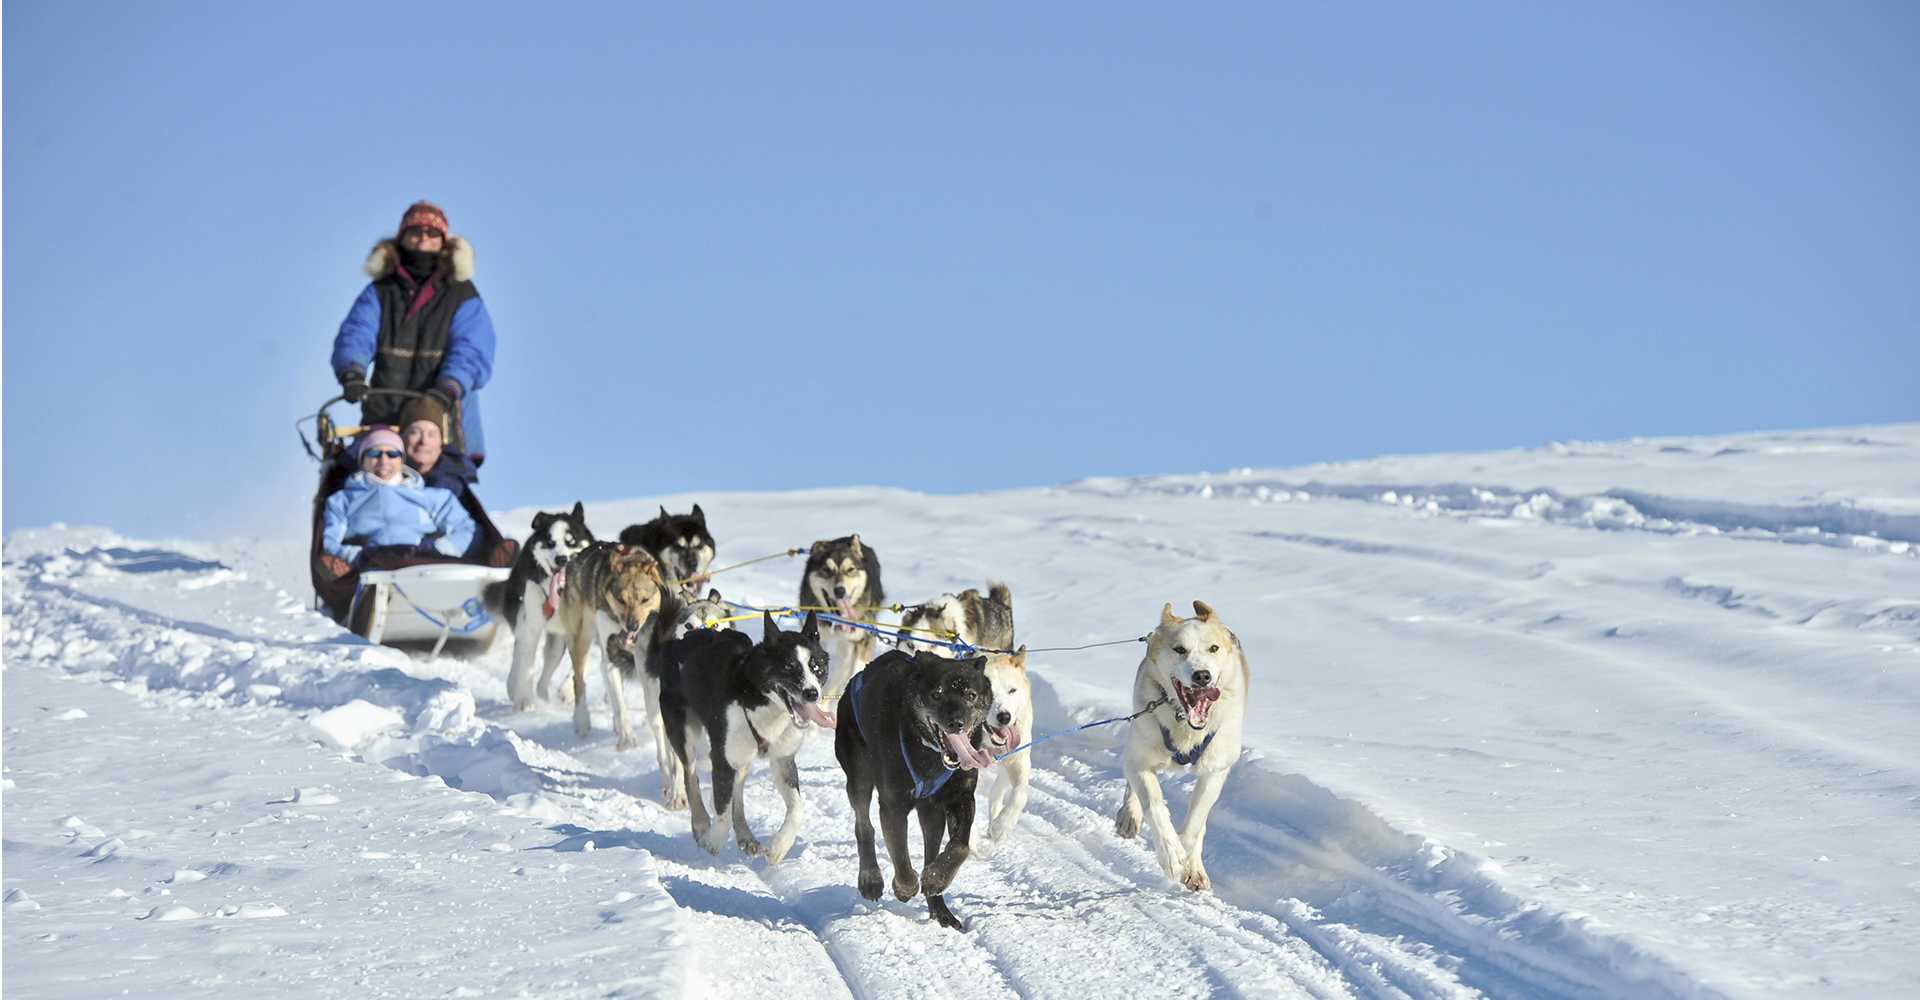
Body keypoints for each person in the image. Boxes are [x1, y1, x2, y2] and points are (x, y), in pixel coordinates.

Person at [331, 201, 496, 465]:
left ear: (443, 242)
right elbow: (357, 332)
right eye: (415, 232)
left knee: (446, 490)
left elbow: (472, 349)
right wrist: (352, 371)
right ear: (402, 238)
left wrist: (450, 386)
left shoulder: (461, 294)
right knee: (353, 480)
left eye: (431, 234)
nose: (422, 240)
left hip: (444, 418)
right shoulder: (382, 290)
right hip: (385, 413)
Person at [318, 429, 477, 580]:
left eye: (392, 454)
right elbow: (328, 540)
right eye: (374, 453)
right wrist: (351, 555)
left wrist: (439, 548)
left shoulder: (433, 496)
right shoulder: (342, 500)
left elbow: (466, 529)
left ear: (401, 460)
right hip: (367, 566)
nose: (383, 460)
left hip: (422, 563)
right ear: (362, 461)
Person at [397, 394, 478, 492]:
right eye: (415, 432)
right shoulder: (383, 479)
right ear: (401, 438)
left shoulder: (460, 489)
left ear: (441, 443)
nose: (424, 441)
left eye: (432, 435)